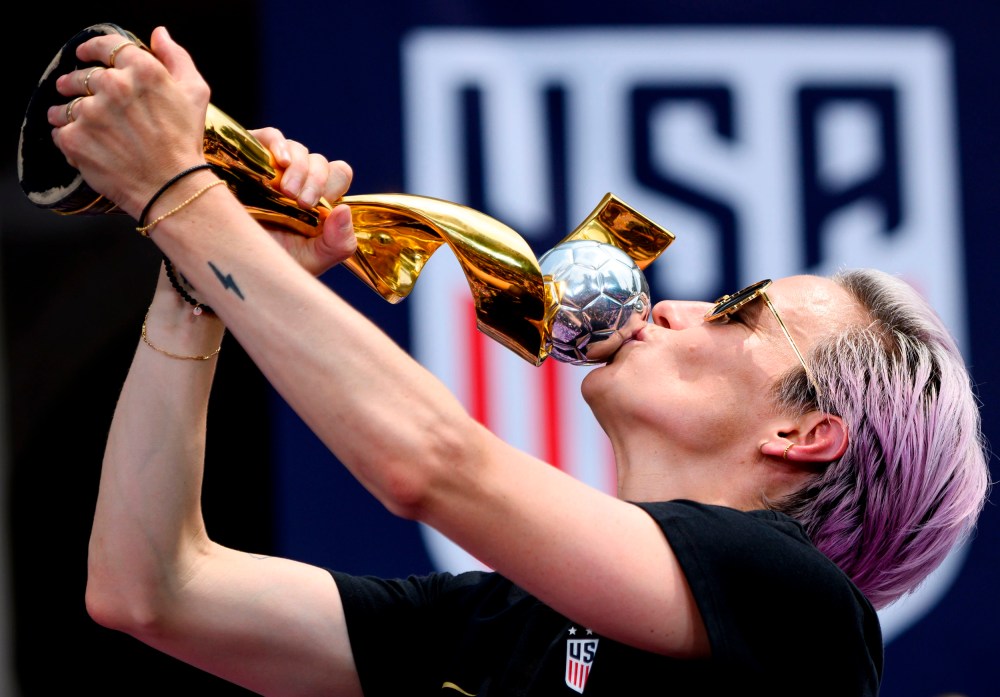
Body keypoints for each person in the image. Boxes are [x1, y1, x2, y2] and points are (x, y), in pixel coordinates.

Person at [47, 27, 989, 697]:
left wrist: (182, 192)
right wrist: (197, 282)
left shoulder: (800, 608)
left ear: (806, 432)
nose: (678, 304)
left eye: (741, 311)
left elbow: (430, 464)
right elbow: (151, 590)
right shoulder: (514, 617)